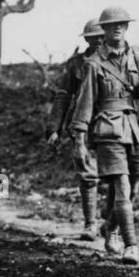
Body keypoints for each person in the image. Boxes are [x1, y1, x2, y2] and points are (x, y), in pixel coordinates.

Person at [69, 7, 139, 265]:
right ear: (103, 29)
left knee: (134, 189)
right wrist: (79, 141)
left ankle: (111, 227)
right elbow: (85, 103)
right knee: (122, 187)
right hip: (107, 129)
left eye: (122, 24)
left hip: (133, 129)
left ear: (127, 27)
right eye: (112, 24)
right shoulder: (93, 64)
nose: (118, 28)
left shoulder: (138, 56)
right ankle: (131, 246)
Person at [48, 18, 105, 241]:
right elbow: (64, 95)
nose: (98, 42)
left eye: (102, 37)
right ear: (87, 39)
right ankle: (91, 224)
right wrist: (54, 127)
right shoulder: (76, 64)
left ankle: (111, 226)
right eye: (93, 38)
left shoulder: (119, 59)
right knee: (88, 174)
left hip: (114, 123)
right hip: (84, 125)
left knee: (117, 175)